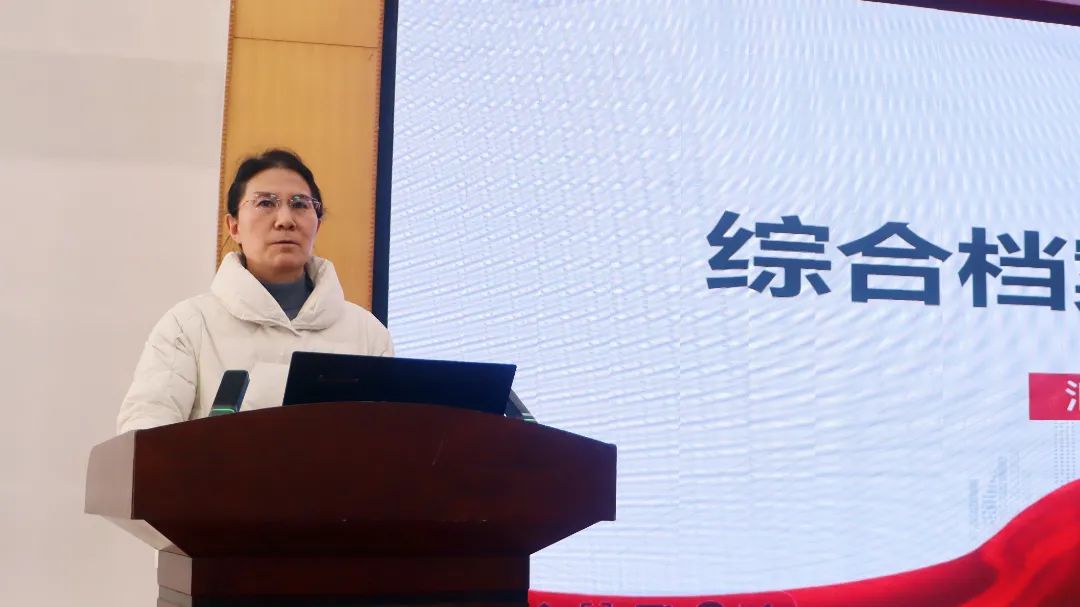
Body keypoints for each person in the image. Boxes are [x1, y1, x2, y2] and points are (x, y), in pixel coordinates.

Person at [116, 149, 393, 434]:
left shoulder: (367, 333)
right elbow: (144, 432)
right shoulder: (189, 325)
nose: (285, 219)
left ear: (317, 225)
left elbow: (390, 439)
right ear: (234, 226)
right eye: (265, 203)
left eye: (300, 204)